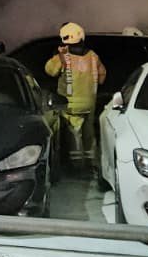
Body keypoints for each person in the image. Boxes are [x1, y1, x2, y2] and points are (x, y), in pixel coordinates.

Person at [44, 22, 107, 166]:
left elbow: (50, 71)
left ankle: (77, 165)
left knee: (74, 133)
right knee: (89, 133)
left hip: (71, 106)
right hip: (90, 104)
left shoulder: (64, 57)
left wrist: (59, 57)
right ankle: (92, 162)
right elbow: (102, 77)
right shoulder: (93, 56)